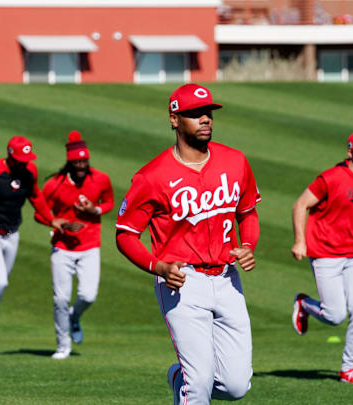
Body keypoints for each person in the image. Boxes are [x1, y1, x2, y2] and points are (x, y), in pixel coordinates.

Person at [115, 83, 261, 405]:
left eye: (207, 112)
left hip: (227, 279)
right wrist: (159, 267)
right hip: (182, 282)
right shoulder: (151, 177)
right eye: (195, 114)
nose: (205, 119)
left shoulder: (235, 162)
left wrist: (248, 244)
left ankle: (178, 377)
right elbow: (125, 234)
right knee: (198, 385)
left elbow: (248, 213)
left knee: (236, 386)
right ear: (174, 119)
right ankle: (189, 383)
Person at [0, 136, 68, 362]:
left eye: (27, 159)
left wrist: (51, 220)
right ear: (9, 155)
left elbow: (35, 196)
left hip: (12, 235)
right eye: (20, 159)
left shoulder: (29, 171)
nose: (24, 163)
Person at [290, 131, 353, 385]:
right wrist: (300, 241)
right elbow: (300, 205)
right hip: (325, 254)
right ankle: (304, 304)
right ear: (350, 152)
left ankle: (348, 369)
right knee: (335, 316)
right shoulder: (330, 178)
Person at [38, 131, 114, 360]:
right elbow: (39, 212)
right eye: (77, 162)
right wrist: (56, 222)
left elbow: (110, 202)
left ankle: (74, 317)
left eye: (84, 161)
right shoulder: (54, 185)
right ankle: (63, 346)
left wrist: (95, 210)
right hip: (62, 248)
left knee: (88, 296)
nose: (81, 165)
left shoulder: (100, 179)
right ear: (69, 162)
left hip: (90, 246)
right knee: (60, 299)